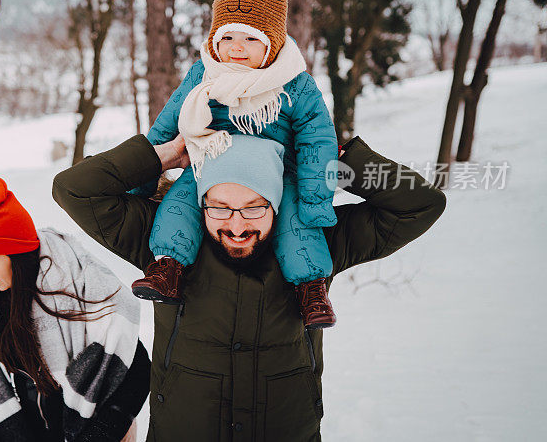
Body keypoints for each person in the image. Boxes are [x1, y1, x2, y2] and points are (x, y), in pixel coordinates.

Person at [52, 131, 446, 440]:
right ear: (200, 202)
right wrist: (164, 156)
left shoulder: (318, 244)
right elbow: (74, 188)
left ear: (276, 201)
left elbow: (421, 203)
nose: (237, 226)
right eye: (219, 207)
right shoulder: (162, 246)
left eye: (254, 208)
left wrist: (336, 160)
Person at [128, 0, 338, 330]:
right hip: (211, 164)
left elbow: (317, 140)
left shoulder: (294, 83)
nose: (236, 48)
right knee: (179, 206)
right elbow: (169, 121)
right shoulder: (204, 74)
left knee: (295, 224)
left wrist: (315, 199)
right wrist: (144, 176)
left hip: (275, 176)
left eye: (250, 39)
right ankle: (168, 269)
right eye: (227, 38)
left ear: (272, 43)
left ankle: (311, 290)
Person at [0, 176, 150, 442]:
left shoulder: (77, 289)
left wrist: (102, 432)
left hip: (92, 428)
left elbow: (136, 365)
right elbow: (14, 365)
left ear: (16, 255)